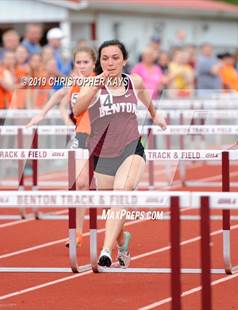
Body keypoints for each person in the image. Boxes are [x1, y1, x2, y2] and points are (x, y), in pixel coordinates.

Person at [74, 40, 167, 268]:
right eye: (105, 58)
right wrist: (96, 86)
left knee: (122, 192)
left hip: (130, 147)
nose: (110, 62)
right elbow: (77, 110)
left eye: (115, 57)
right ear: (99, 62)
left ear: (124, 60)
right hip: (102, 153)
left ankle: (105, 251)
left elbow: (147, 100)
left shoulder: (133, 81)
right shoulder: (91, 83)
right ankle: (122, 242)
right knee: (112, 208)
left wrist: (156, 115)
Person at [27, 46, 97, 246]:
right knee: (80, 184)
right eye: (78, 62)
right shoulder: (74, 80)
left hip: (102, 137)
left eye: (86, 62)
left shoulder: (99, 80)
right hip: (82, 135)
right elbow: (59, 97)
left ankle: (118, 236)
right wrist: (42, 113)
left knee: (106, 188)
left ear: (93, 63)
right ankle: (78, 233)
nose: (82, 66)